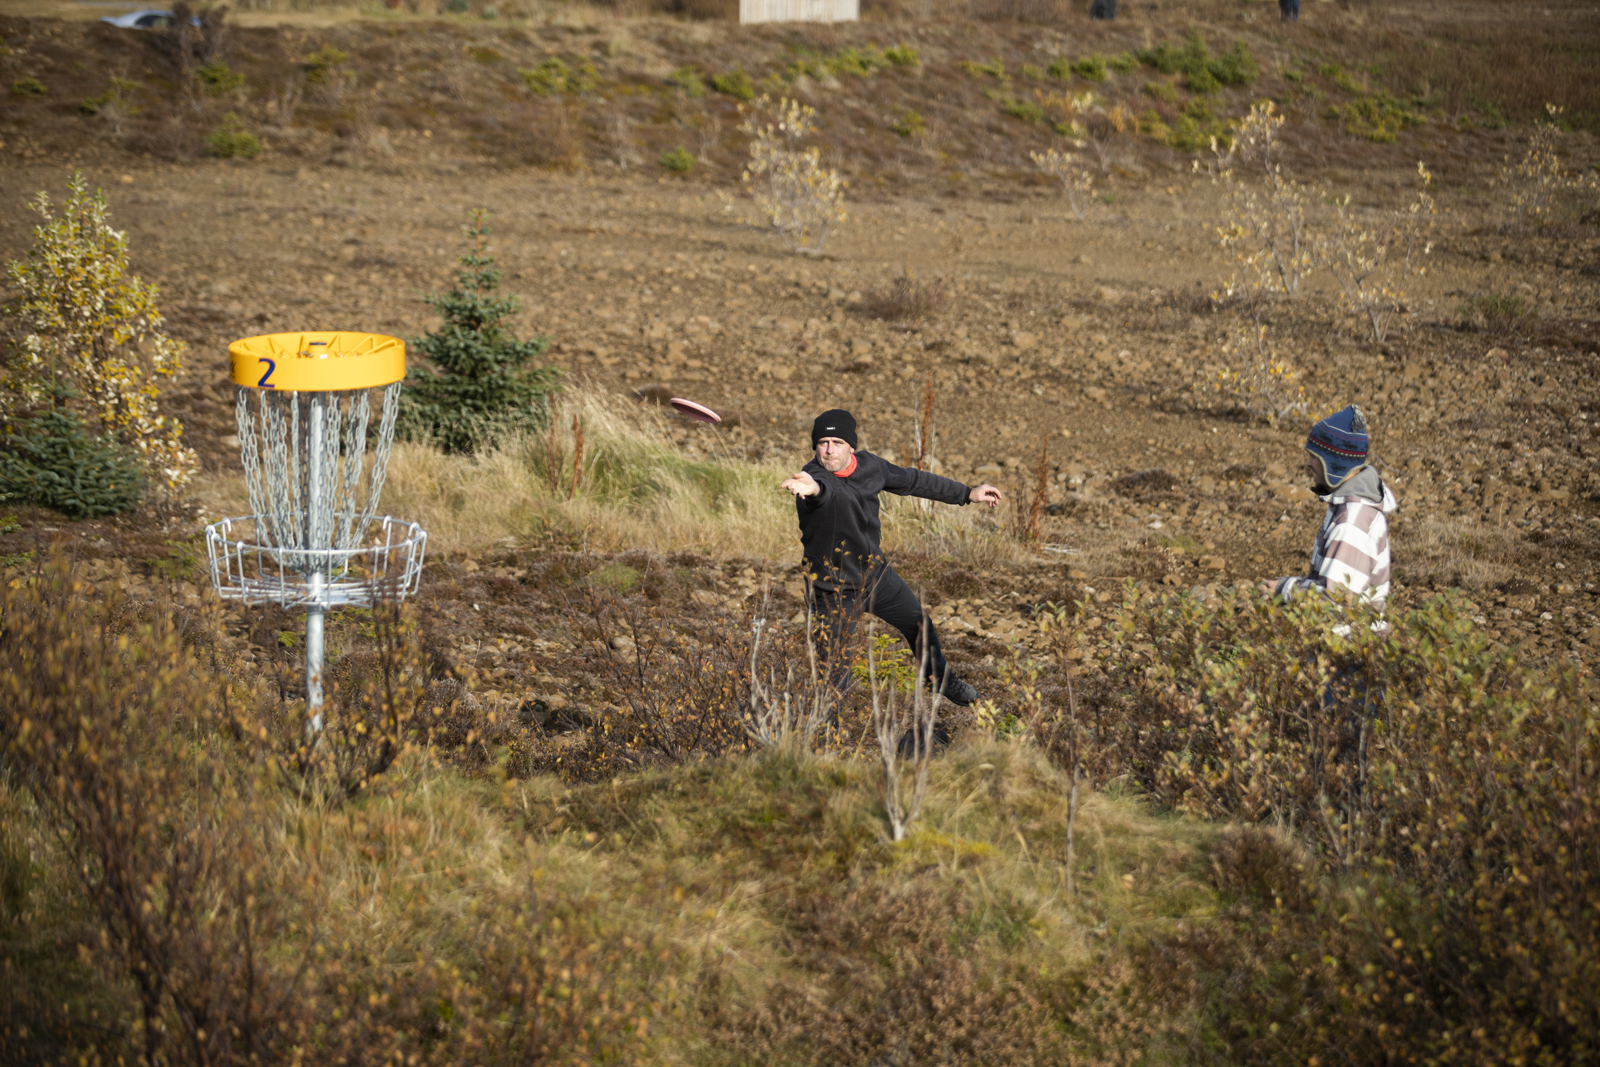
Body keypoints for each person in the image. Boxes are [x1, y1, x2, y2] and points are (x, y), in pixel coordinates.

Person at [781, 409, 1003, 712]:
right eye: (822, 443)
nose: (829, 450)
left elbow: (914, 480)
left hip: (876, 578)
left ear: (851, 446)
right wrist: (811, 487)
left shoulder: (872, 467)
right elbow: (824, 491)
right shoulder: (813, 479)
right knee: (834, 677)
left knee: (919, 625)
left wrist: (966, 493)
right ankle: (823, 745)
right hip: (832, 592)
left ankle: (939, 679)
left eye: (837, 442)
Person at [1262, 404, 1397, 610]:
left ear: (1333, 463)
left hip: (1350, 640)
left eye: (1315, 457)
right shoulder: (1350, 509)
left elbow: (1334, 599)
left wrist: (1284, 589)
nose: (1308, 463)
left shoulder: (1352, 522)